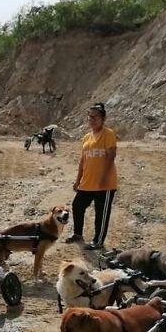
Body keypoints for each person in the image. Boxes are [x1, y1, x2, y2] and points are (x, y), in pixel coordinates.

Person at [64, 102, 118, 250]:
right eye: (90, 117)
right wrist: (78, 180)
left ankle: (98, 241)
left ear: (103, 119)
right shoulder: (87, 137)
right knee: (77, 206)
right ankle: (77, 234)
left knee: (101, 214)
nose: (92, 120)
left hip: (105, 184)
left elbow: (111, 156)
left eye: (95, 117)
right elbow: (83, 161)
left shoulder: (108, 134)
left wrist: (104, 177)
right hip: (87, 182)